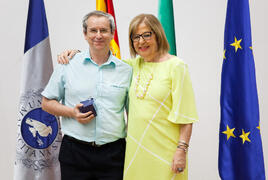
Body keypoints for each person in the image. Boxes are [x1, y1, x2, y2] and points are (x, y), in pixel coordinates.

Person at [58, 13, 198, 180]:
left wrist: (181, 150)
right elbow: (101, 62)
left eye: (147, 35)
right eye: (135, 37)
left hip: (166, 150)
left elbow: (186, 115)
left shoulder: (176, 66)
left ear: (158, 34)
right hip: (135, 151)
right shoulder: (131, 66)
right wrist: (77, 54)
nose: (141, 41)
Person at [41, 10, 132, 180]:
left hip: (114, 155)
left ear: (112, 33)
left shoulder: (126, 71)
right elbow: (46, 102)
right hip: (75, 153)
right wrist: (72, 113)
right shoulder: (68, 65)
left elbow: (133, 113)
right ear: (85, 34)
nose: (98, 35)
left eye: (104, 30)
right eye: (93, 30)